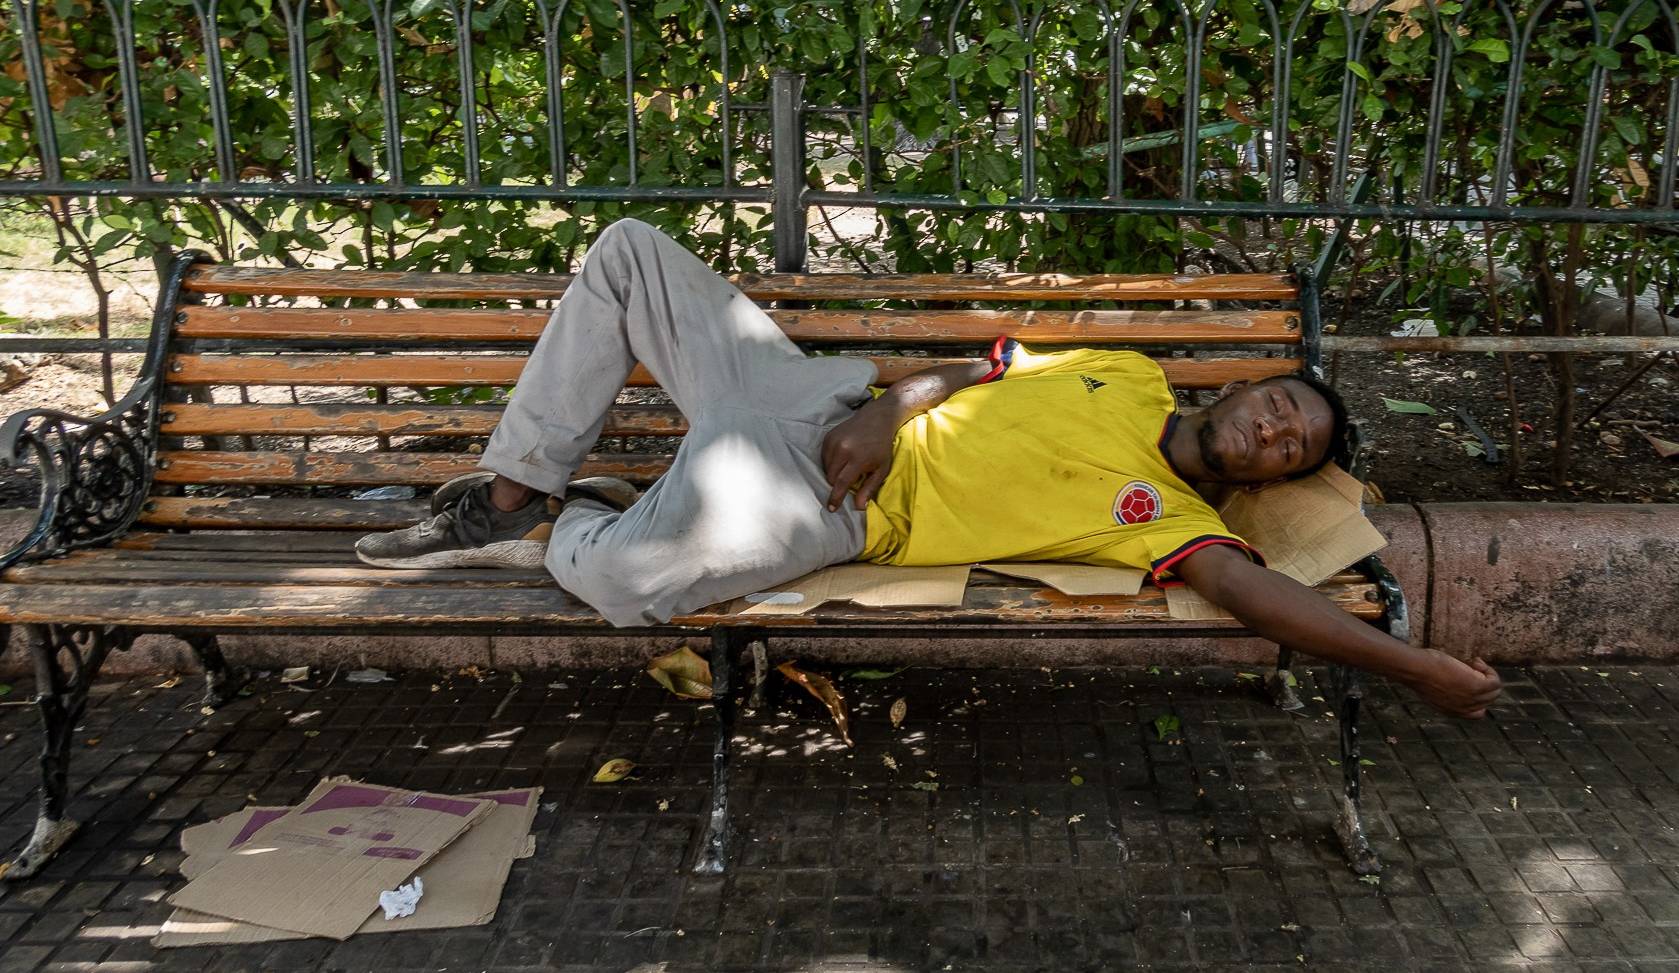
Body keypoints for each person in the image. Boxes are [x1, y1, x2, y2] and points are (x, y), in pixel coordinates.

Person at [355, 219, 1500, 718]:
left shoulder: (1174, 526)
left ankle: (577, 520)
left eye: (1295, 448)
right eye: (1283, 406)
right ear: (1249, 389)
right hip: (817, 401)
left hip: (826, 500)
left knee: (624, 585)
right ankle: (508, 496)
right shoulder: (1127, 372)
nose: (1278, 431)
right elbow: (973, 366)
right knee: (627, 255)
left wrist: (1411, 667)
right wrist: (890, 406)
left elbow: (1263, 598)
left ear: (1272, 478)